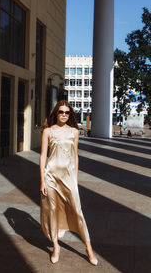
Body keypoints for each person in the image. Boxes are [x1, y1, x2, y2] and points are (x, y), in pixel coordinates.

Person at [40, 100, 98, 265]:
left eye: (66, 112)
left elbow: (76, 155)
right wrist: (42, 180)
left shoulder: (74, 132)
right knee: (52, 210)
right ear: (55, 113)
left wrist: (75, 177)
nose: (64, 114)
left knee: (77, 210)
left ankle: (88, 248)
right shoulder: (48, 131)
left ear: (70, 114)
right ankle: (56, 246)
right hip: (51, 176)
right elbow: (43, 156)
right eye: (61, 112)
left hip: (68, 176)